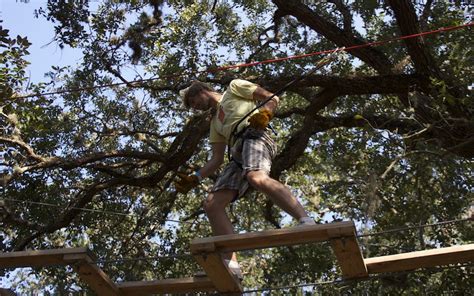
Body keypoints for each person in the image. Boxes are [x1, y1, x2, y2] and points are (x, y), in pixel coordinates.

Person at [175, 79, 315, 279]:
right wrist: (194, 178)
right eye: (191, 106)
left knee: (256, 177)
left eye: (193, 100)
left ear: (201, 90)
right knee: (212, 204)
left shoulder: (233, 88)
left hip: (256, 134)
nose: (194, 107)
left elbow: (272, 97)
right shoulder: (215, 123)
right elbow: (216, 159)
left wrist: (265, 113)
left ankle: (306, 220)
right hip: (236, 151)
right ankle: (231, 265)